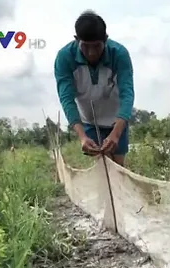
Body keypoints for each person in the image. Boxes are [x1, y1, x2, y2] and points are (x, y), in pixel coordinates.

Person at [54, 10, 134, 167]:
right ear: (77, 40)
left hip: (116, 120)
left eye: (97, 46)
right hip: (89, 121)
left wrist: (116, 133)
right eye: (85, 46)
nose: (91, 53)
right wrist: (82, 136)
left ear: (105, 39)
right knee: (102, 165)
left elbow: (127, 94)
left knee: (118, 165)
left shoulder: (119, 54)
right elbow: (67, 99)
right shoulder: (64, 58)